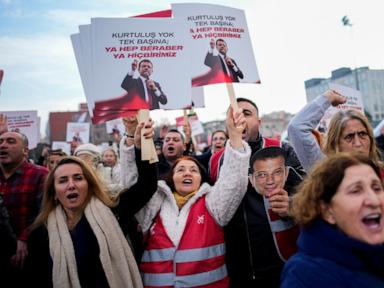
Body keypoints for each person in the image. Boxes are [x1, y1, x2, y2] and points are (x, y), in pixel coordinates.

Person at [24, 119, 157, 287]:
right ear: (54, 193)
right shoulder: (40, 234)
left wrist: (140, 143)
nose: (71, 184)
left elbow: (147, 185)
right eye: (63, 180)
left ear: (90, 184)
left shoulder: (112, 211)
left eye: (78, 178)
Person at [130, 107, 250, 287]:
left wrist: (234, 137)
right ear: (171, 178)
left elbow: (233, 182)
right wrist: (134, 142)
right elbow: (132, 188)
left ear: (201, 179)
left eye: (194, 170)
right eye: (180, 170)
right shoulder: (154, 205)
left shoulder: (212, 204)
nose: (187, 173)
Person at [209, 98, 305, 287]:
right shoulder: (216, 160)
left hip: (282, 259)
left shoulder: (282, 149)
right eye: (234, 114)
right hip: (238, 265)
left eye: (246, 113)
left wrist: (291, 205)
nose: (239, 118)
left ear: (259, 122)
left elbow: (309, 192)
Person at [281, 153, 384, 287]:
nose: (374, 200)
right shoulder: (306, 276)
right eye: (356, 191)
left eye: (376, 188)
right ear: (327, 211)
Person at [288, 89, 382, 172]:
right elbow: (296, 128)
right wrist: (327, 98)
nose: (358, 143)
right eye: (349, 137)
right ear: (335, 144)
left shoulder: (380, 171)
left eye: (362, 134)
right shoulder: (328, 174)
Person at [0, 131, 48, 285]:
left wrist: (24, 238)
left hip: (29, 256)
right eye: (0, 141)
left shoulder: (41, 174)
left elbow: (44, 211)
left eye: (11, 141)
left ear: (25, 151)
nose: (3, 145)